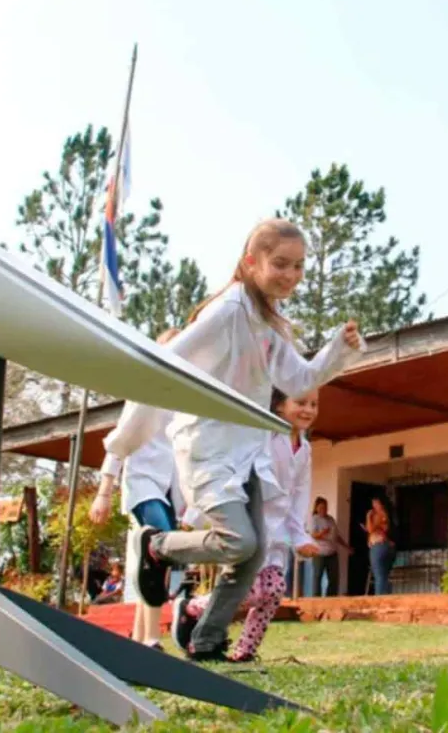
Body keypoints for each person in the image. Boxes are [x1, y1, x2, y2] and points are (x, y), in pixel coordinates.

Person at [129, 218, 366, 662]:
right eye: (280, 264)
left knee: (252, 555)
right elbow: (167, 360)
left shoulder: (269, 322)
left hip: (249, 452)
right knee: (239, 542)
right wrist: (125, 440)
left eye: (298, 267)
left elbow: (300, 377)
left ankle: (206, 640)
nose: (291, 276)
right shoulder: (228, 311)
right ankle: (157, 546)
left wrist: (338, 347)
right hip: (211, 447)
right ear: (250, 262)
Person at [177, 389, 322, 661]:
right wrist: (195, 515)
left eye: (314, 404)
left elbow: (300, 493)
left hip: (277, 531)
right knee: (251, 592)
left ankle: (245, 652)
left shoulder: (304, 448)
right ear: (279, 405)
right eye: (301, 402)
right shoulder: (263, 435)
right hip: (251, 521)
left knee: (274, 591)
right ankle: (193, 607)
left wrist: (299, 535)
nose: (309, 410)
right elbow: (234, 468)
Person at [89, 328, 186, 650]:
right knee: (156, 545)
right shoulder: (143, 391)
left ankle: (143, 635)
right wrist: (104, 493)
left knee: (153, 560)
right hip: (143, 484)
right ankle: (153, 638)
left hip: (172, 491)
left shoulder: (188, 398)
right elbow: (118, 444)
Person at [311, 496, 351, 597]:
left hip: (332, 552)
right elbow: (313, 535)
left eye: (325, 507)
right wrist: (322, 533)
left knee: (334, 578)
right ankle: (316, 599)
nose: (323, 510)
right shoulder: (314, 519)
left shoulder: (330, 519)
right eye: (321, 507)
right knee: (317, 577)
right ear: (316, 508)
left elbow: (336, 536)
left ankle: (331, 598)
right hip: (319, 553)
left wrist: (346, 546)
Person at [365, 496, 396, 595]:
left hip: (379, 546)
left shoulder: (380, 515)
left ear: (382, 504)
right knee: (384, 574)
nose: (374, 506)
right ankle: (386, 595)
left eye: (376, 503)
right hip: (387, 546)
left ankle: (379, 598)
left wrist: (368, 517)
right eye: (373, 504)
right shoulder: (386, 515)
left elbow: (370, 529)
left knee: (379, 575)